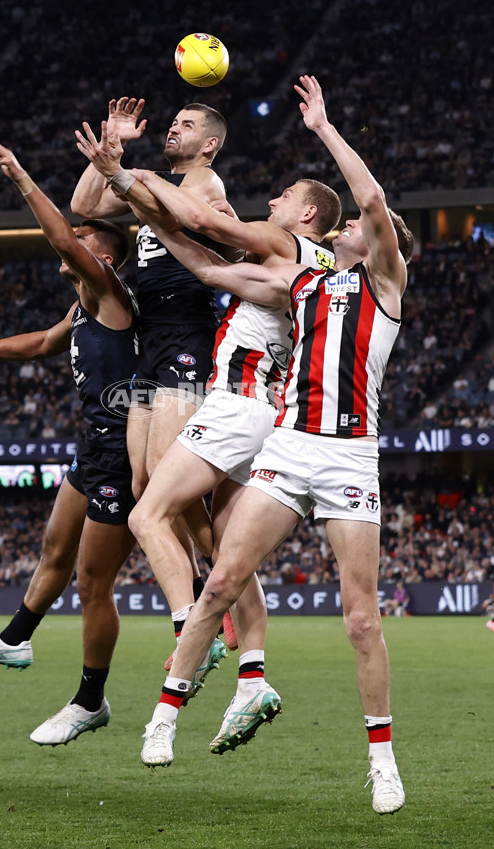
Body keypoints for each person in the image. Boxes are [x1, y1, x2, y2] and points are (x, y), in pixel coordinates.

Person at [139, 75, 414, 817]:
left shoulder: (387, 281)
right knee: (222, 579)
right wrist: (142, 207)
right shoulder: (302, 281)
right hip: (290, 447)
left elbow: (374, 203)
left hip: (351, 455)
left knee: (360, 618)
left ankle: (381, 761)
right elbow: (206, 264)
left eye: (355, 225)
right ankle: (165, 715)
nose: (352, 226)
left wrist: (324, 128)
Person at [89, 146, 341, 734]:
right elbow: (203, 265)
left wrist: (132, 177)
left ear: (307, 216)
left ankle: (190, 635)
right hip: (266, 411)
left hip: (238, 404)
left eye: (285, 197)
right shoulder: (315, 271)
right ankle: (253, 677)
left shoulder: (292, 247)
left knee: (146, 511)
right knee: (229, 554)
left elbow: (204, 224)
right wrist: (152, 215)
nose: (272, 201)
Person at [0, 137, 138, 747]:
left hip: (123, 455)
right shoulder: (81, 307)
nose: (71, 243)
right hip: (92, 446)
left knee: (94, 585)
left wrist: (21, 176)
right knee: (53, 550)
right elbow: (44, 343)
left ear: (104, 256)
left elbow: (66, 240)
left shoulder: (109, 291)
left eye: (85, 239)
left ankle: (90, 700)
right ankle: (16, 639)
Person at [71, 99, 228, 598]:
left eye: (186, 125)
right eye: (174, 121)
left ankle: (219, 578)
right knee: (143, 486)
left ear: (210, 144)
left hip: (186, 325)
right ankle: (205, 577)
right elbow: (85, 207)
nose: (172, 129)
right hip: (151, 332)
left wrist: (122, 174)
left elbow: (173, 214)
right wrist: (112, 150)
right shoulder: (150, 177)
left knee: (163, 476)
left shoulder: (206, 181)